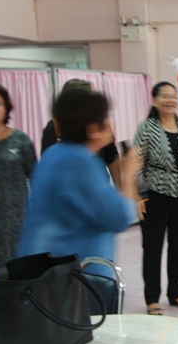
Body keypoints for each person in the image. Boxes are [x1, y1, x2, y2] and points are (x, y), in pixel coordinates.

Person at [18, 88, 137, 277]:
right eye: (106, 118)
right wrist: (129, 173)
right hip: (75, 278)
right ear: (93, 130)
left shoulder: (52, 154)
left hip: (47, 273)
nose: (111, 123)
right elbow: (118, 218)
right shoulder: (80, 162)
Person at [134, 82, 178, 316]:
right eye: (165, 96)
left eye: (173, 96)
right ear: (154, 100)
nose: (170, 100)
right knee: (152, 248)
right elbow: (137, 163)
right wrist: (139, 196)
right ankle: (152, 298)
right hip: (155, 194)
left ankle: (176, 293)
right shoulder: (147, 127)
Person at [41, 79, 121, 188]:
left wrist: (120, 188)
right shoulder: (54, 128)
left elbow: (111, 156)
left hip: (100, 183)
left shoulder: (98, 126)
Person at [0, 84, 37, 266]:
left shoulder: (19, 140)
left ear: (6, 109)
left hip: (14, 220)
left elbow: (36, 178)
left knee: (14, 270)